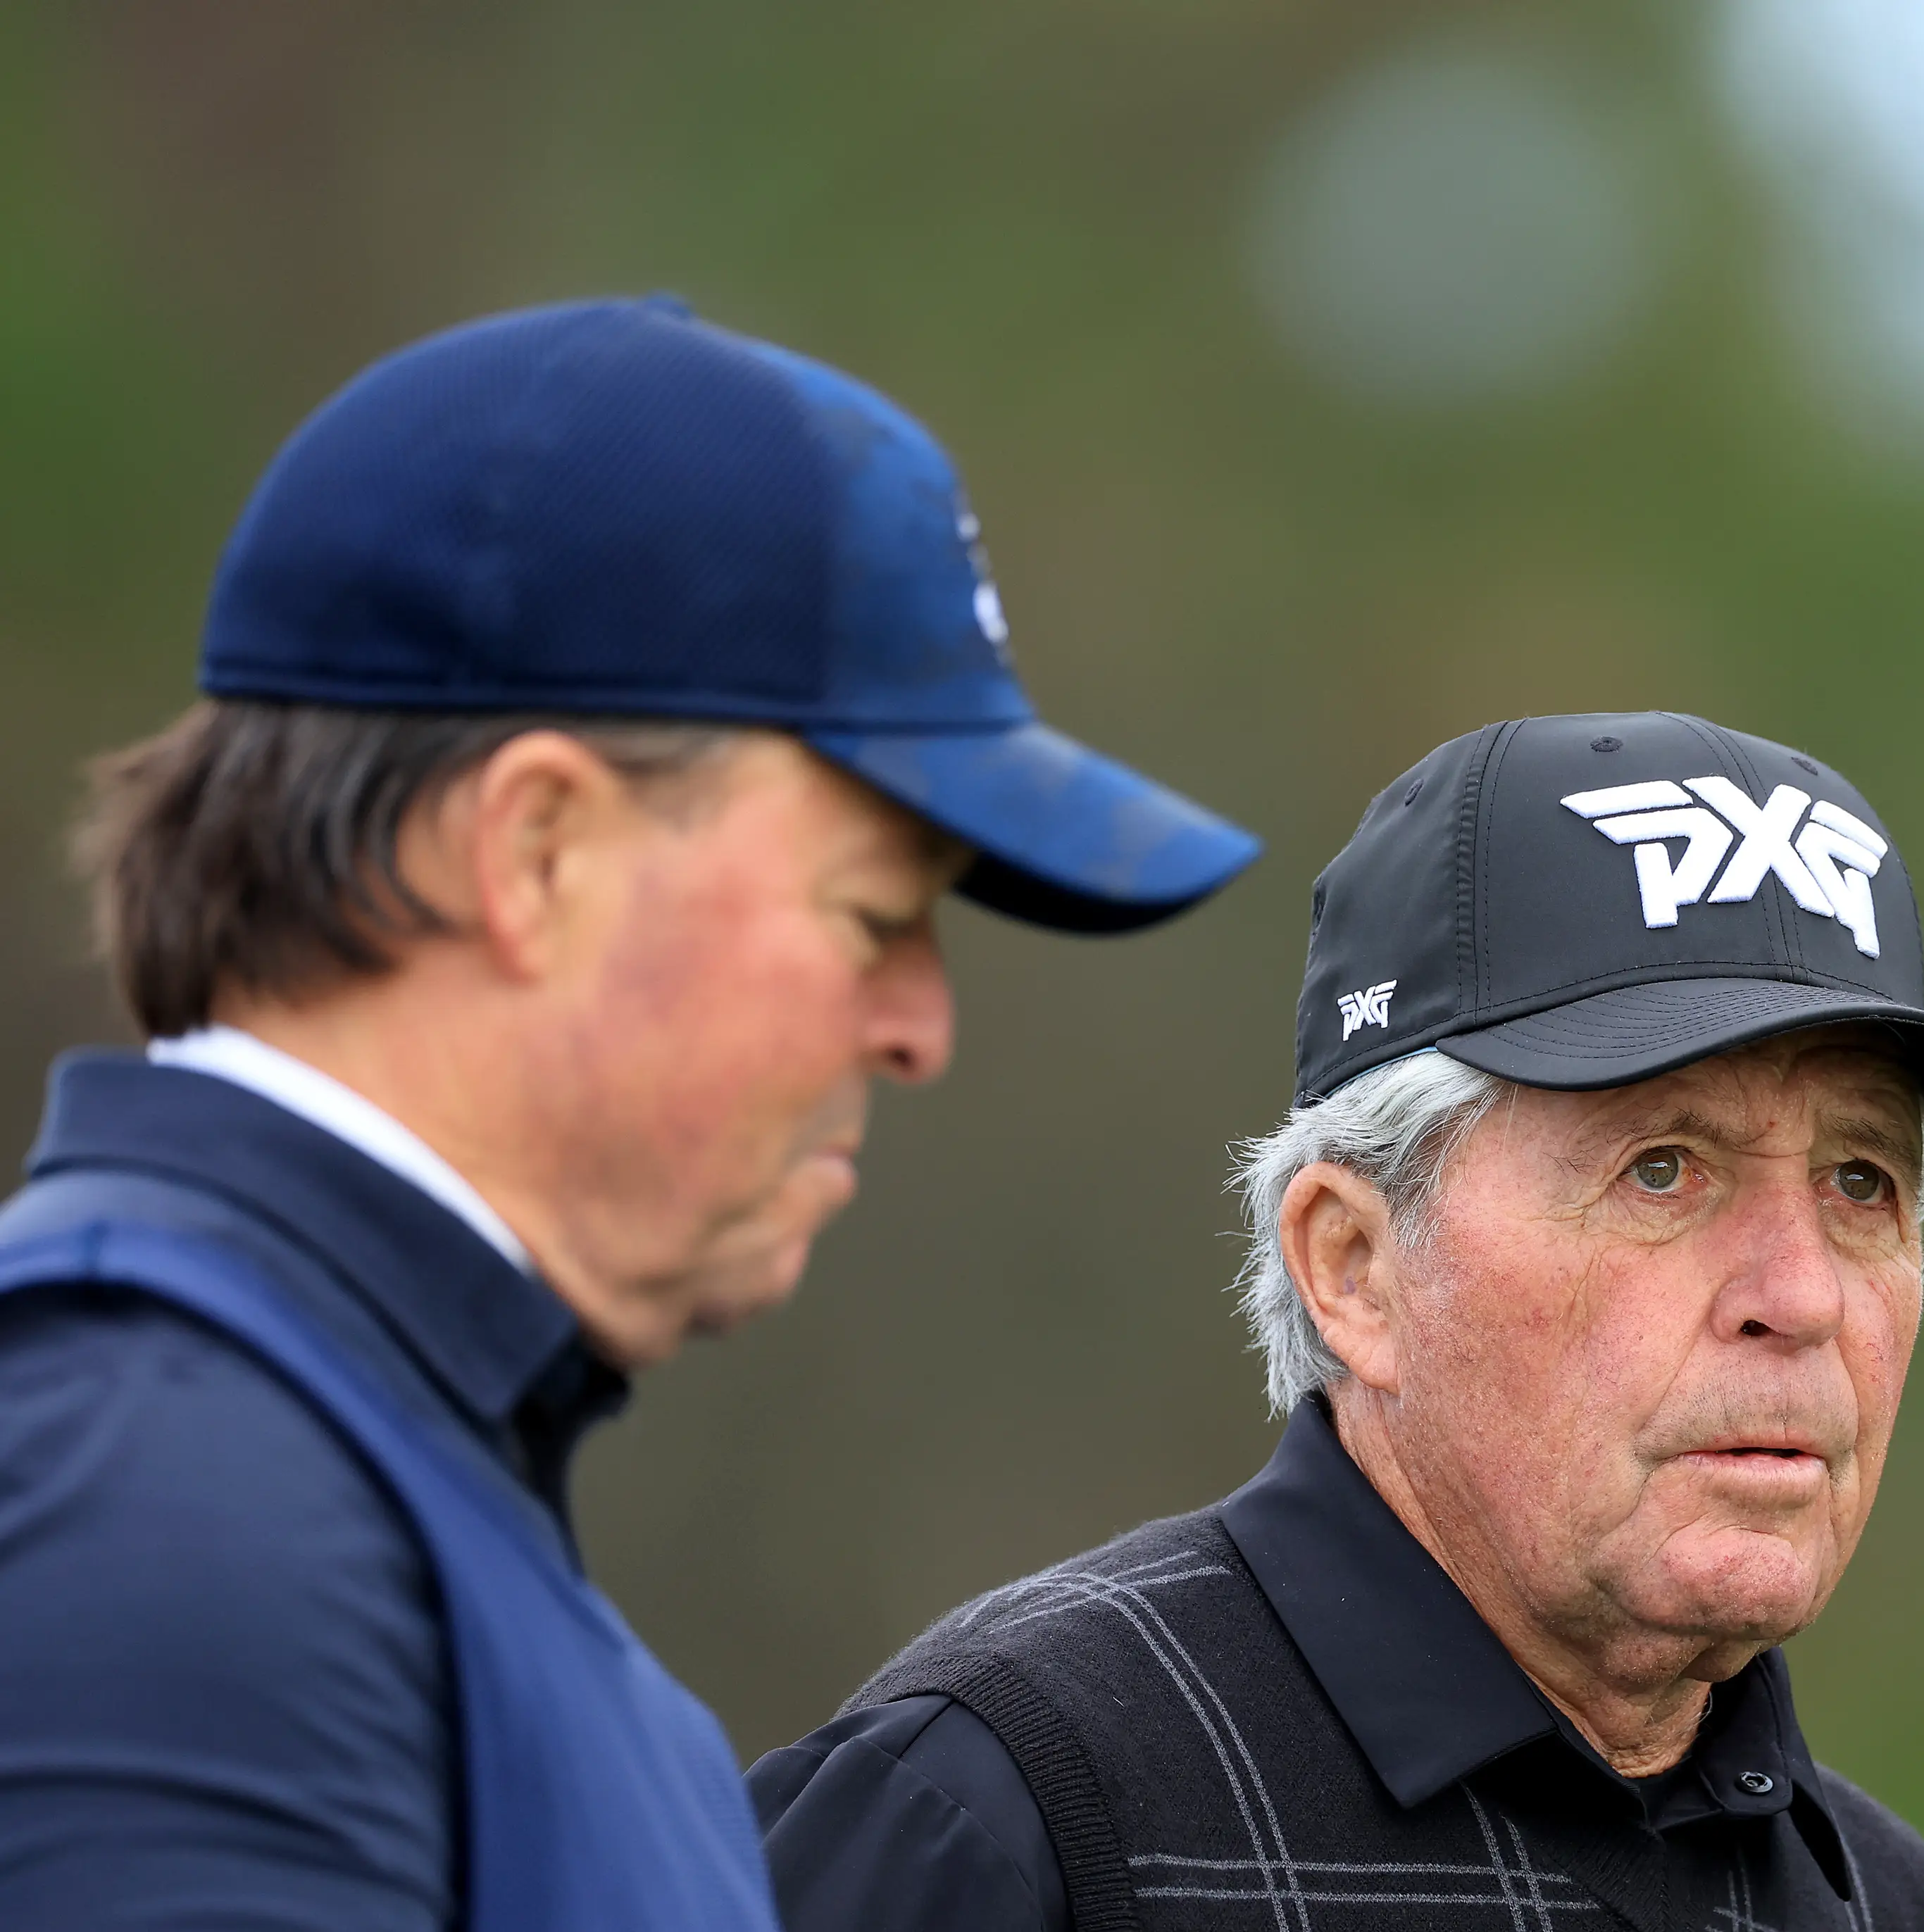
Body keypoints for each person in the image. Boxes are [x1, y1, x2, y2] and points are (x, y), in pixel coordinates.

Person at [0, 296, 1258, 1931]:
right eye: (875, 913)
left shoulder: (340, 1501)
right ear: (538, 854)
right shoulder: (167, 1500)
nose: (921, 1029)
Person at [751, 710, 1924, 1931]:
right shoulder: (1009, 1814)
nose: (1802, 1295)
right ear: (1356, 1267)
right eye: (1662, 1169)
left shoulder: (1885, 1899)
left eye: (1861, 1183)